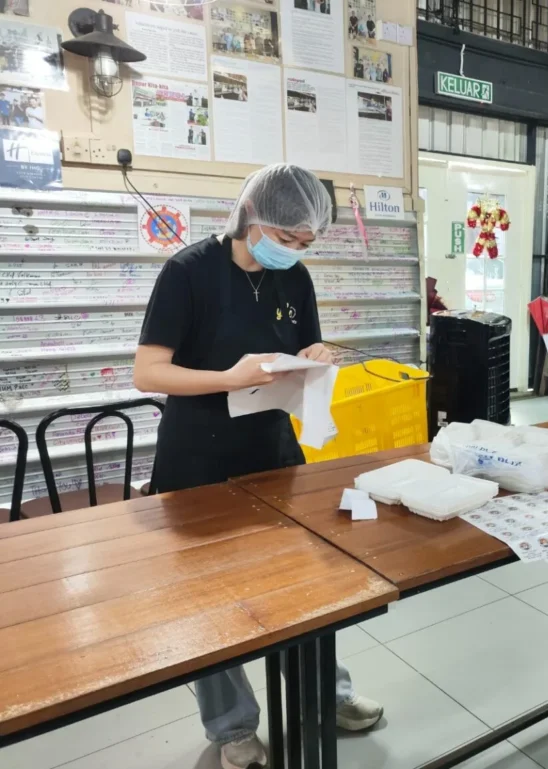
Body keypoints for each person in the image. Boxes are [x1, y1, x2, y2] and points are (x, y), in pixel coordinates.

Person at [133, 164, 384, 769]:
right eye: (288, 238)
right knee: (214, 599)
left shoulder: (293, 279)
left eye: (306, 244)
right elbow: (148, 371)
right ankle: (232, 727)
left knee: (305, 583)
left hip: (272, 452)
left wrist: (315, 356)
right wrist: (226, 378)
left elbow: (302, 352)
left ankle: (324, 694)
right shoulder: (188, 273)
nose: (295, 252)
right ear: (252, 218)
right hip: (197, 457)